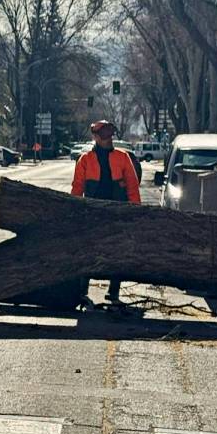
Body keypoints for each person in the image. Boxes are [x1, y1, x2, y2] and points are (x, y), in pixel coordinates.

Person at [71, 120, 141, 304]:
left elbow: (132, 186)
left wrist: (136, 211)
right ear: (95, 137)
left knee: (117, 252)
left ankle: (114, 291)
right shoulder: (85, 160)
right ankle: (81, 290)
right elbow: (77, 188)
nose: (108, 138)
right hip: (91, 212)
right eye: (104, 135)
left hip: (117, 211)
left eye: (110, 134)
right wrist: (73, 211)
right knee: (88, 251)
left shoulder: (123, 157)